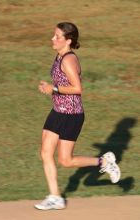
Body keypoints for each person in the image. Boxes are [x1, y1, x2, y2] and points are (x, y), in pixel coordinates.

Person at [34, 22, 121, 210]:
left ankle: (105, 162)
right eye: (54, 35)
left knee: (66, 161)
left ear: (68, 40)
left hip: (71, 115)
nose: (53, 39)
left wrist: (53, 88)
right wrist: (49, 88)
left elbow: (77, 89)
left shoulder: (68, 59)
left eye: (57, 36)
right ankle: (55, 197)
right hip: (57, 111)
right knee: (45, 152)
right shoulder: (59, 56)